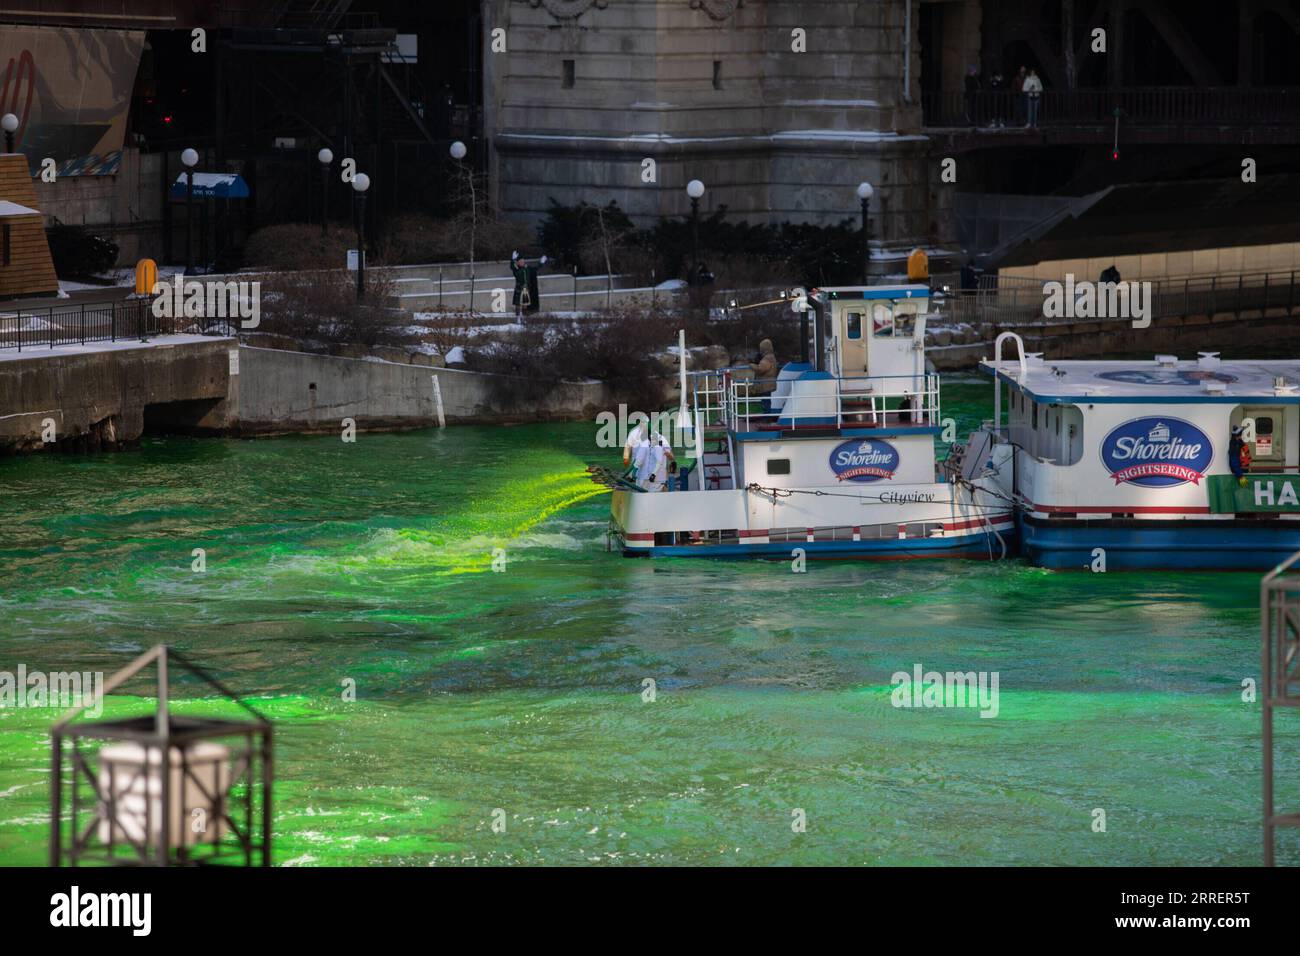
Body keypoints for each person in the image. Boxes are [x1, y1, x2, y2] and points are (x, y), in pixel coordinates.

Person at [510, 250, 548, 318]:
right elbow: (512, 266)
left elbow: (535, 269)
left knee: (525, 304)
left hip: (525, 288)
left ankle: (524, 317)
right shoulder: (516, 269)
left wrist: (541, 263)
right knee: (518, 304)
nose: (522, 262)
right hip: (519, 288)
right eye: (521, 261)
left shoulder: (527, 268)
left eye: (523, 261)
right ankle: (518, 318)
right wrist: (513, 259)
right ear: (518, 263)